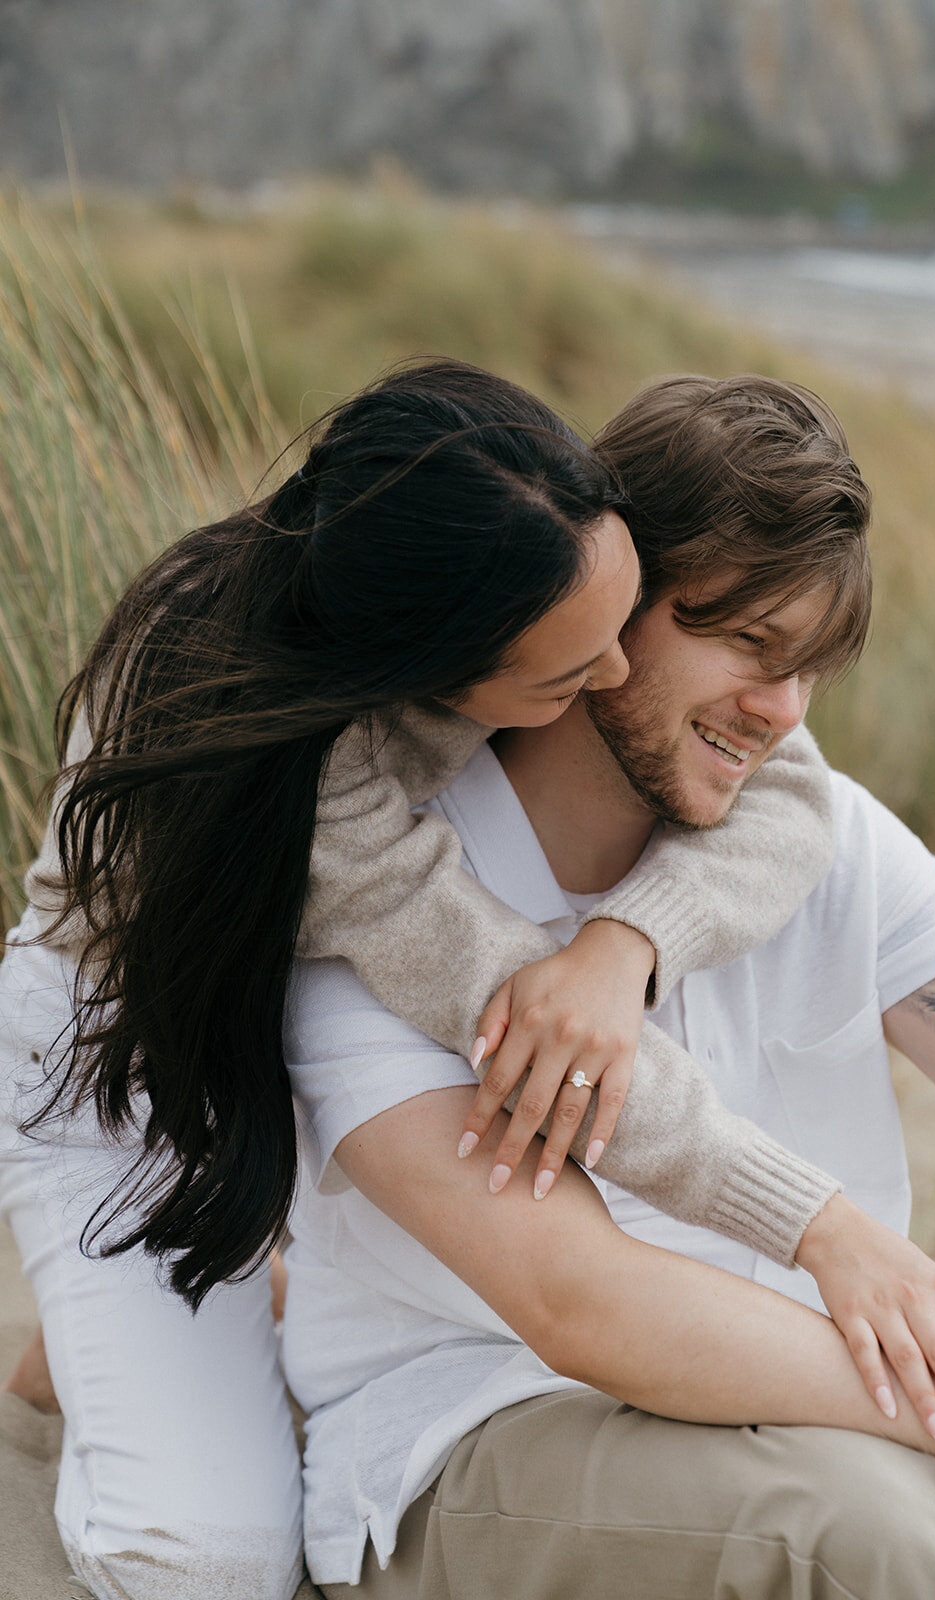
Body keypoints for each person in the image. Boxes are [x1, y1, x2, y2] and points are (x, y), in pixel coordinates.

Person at [0, 358, 867, 1599]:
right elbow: (532, 1026)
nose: (614, 681)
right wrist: (808, 1219)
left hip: (286, 1054)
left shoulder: (534, 535)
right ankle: (108, 1315)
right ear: (437, 670)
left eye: (623, 635)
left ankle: (160, 1314)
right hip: (127, 1072)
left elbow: (788, 780)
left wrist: (626, 942)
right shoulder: (320, 789)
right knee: (209, 1561)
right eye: (572, 679)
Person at [280, 374, 935, 1598]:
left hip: (822, 1375)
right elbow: (581, 1305)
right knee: (853, 1524)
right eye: (747, 643)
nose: (778, 712)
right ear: (599, 604)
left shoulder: (819, 836)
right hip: (492, 1428)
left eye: (806, 667)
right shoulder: (387, 904)